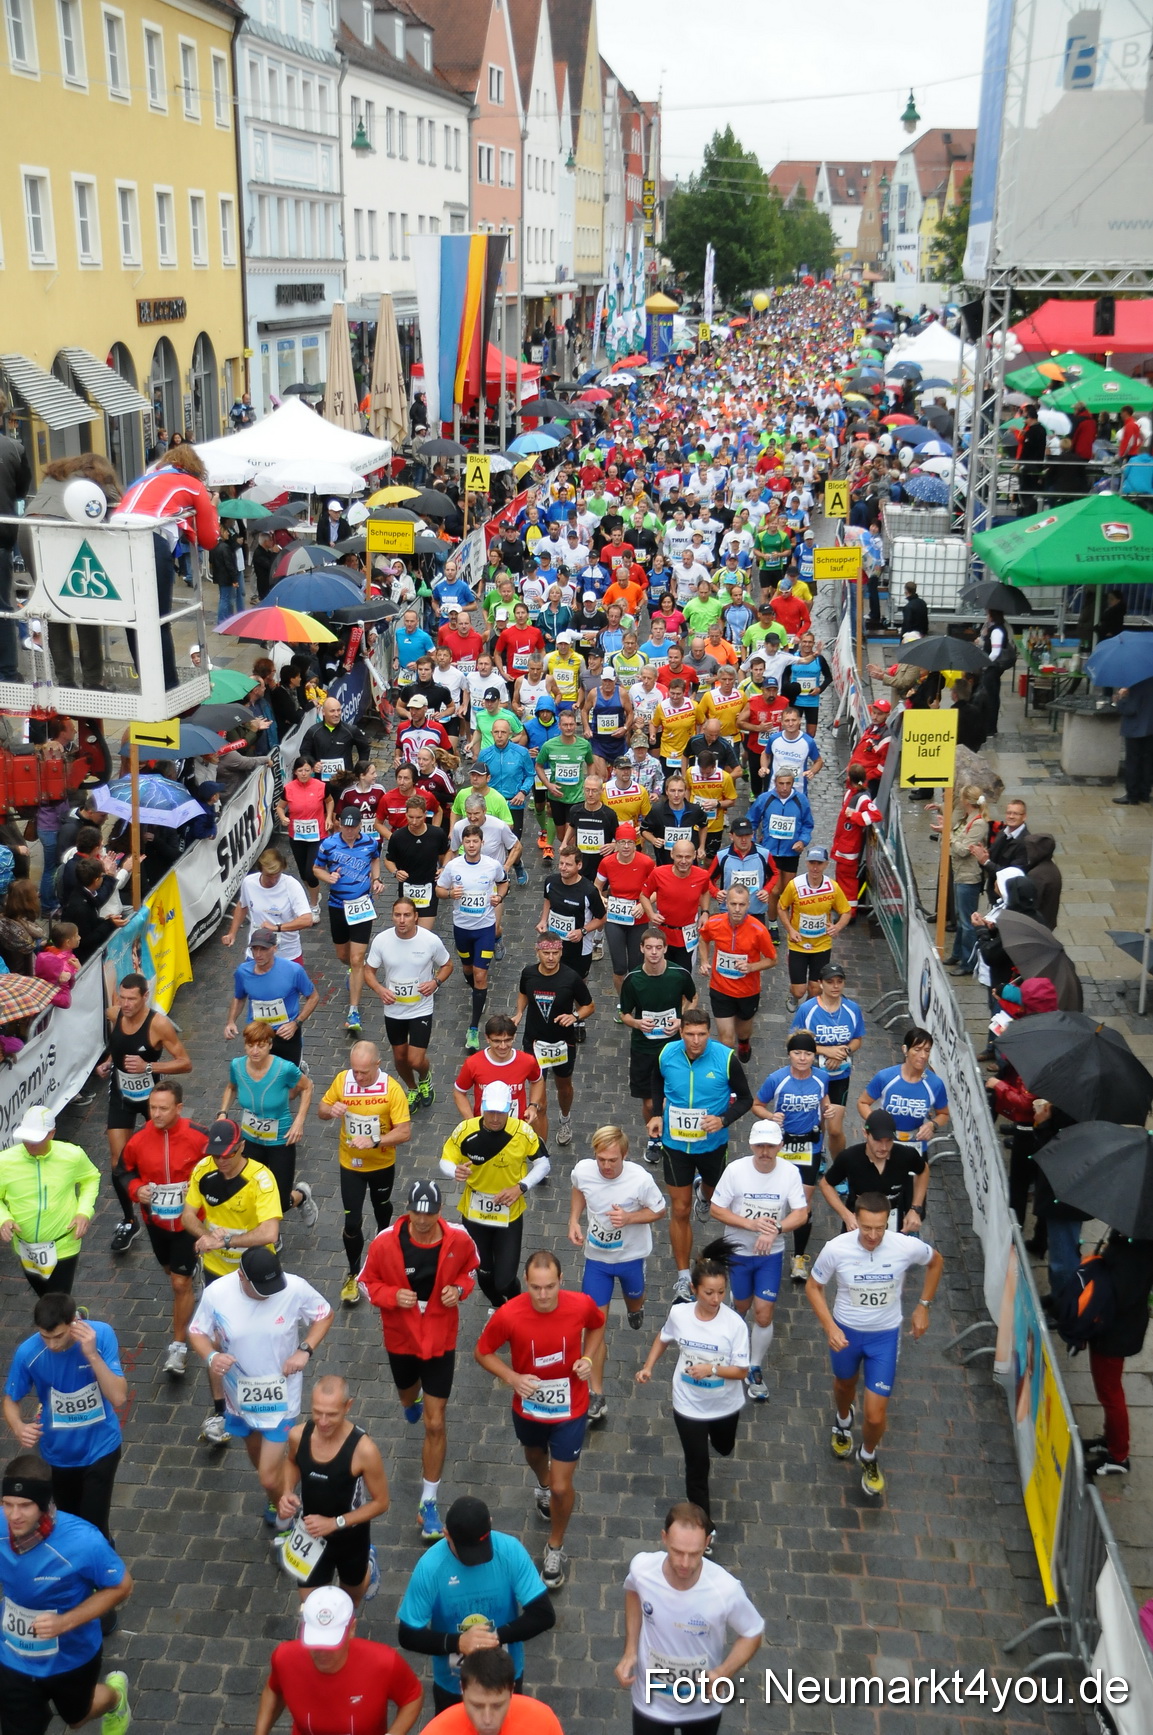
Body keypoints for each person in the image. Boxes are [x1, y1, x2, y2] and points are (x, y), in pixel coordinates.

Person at [475, 1251, 604, 1591]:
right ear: (527, 1284)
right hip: (529, 1407)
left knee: (564, 1486)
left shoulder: (580, 1304)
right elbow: (482, 1351)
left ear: (561, 1281)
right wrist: (512, 1377)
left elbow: (597, 1327)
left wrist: (588, 1358)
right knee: (534, 1456)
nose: (543, 1296)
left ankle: (555, 1546)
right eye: (535, 1288)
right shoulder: (508, 1314)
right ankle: (543, 1485)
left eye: (550, 1287)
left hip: (570, 1407)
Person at [359, 1179, 478, 1542]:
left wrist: (459, 1290)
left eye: (430, 1214)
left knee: (435, 1422)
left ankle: (428, 1502)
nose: (423, 1221)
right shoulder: (385, 1242)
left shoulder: (458, 1238)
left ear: (440, 1211)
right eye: (416, 1213)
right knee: (407, 1395)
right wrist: (394, 1295)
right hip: (402, 1335)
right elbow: (366, 1283)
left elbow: (471, 1270)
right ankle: (409, 1402)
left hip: (441, 1334)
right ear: (407, 1210)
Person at [806, 1192, 943, 1497]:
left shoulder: (903, 1246)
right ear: (856, 1221)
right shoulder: (836, 1249)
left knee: (876, 1415)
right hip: (846, 1334)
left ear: (887, 1222)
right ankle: (843, 1421)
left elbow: (936, 1262)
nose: (872, 1235)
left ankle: (868, 1454)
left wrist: (923, 1306)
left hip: (884, 1337)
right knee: (844, 1386)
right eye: (866, 1228)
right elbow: (814, 1287)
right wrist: (829, 1326)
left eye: (879, 1228)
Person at [188, 1247, 333, 1522]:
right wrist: (211, 1355)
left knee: (267, 1477)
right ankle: (278, 1496)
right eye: (262, 1288)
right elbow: (197, 1332)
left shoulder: (294, 1288)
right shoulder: (218, 1294)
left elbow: (324, 1314)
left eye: (273, 1285)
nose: (270, 1293)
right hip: (238, 1395)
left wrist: (305, 1349)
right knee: (256, 1453)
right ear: (241, 1277)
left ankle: (285, 1505)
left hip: (282, 1395)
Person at [0, 1452, 132, 1735]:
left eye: (24, 1505)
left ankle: (116, 1698)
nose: (13, 1515)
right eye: (7, 1504)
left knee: (77, 1718)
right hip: (14, 1654)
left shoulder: (84, 1541)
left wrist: (64, 1623)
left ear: (45, 1503)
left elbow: (122, 1586)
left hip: (72, 1656)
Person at [616, 1502, 764, 1735]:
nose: (685, 1563)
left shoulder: (725, 1590)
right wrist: (630, 1649)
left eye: (694, 1554)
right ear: (664, 1538)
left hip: (701, 1707)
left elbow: (752, 1631)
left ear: (707, 1543)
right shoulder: (642, 1568)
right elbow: (633, 1591)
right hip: (650, 1701)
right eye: (677, 1552)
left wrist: (723, 1673)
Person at [396, 1496, 556, 1712]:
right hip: (453, 1687)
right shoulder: (430, 1567)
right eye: (466, 1551)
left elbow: (544, 1615)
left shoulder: (510, 1551)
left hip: (505, 1680)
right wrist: (459, 1643)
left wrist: (495, 1637)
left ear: (490, 1522)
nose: (476, 1559)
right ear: (447, 1534)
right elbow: (408, 1634)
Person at [635, 1246, 749, 1534]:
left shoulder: (734, 1325)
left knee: (724, 1447)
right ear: (695, 1289)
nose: (716, 1299)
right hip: (688, 1404)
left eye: (721, 1292)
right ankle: (704, 1529)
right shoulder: (680, 1314)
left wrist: (710, 1369)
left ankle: (718, 1438)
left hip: (725, 1404)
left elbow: (741, 1371)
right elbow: (664, 1338)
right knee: (697, 1467)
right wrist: (648, 1366)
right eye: (709, 1293)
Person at [2, 1294, 127, 1547]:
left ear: (74, 1322)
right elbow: (10, 1399)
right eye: (44, 1337)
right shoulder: (29, 1352)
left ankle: (103, 1574)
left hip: (101, 1448)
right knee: (67, 1524)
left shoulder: (101, 1335)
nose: (51, 1345)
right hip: (57, 1456)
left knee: (93, 1527)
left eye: (58, 1336)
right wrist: (18, 1426)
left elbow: (118, 1397)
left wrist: (92, 1355)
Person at [648, 1009, 753, 1303]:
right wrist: (657, 1113)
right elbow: (656, 1081)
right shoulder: (667, 1053)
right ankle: (683, 1278)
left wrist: (723, 1119)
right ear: (681, 1032)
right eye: (690, 1034)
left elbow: (746, 1099)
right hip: (675, 1145)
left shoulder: (725, 1058)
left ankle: (704, 1195)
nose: (696, 1041)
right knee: (679, 1210)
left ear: (710, 1033)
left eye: (702, 1035)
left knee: (713, 1191)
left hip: (712, 1145)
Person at [568, 1125, 667, 1422]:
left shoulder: (641, 1180)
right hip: (597, 1260)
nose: (606, 1166)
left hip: (631, 1258)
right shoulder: (584, 1171)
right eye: (601, 1160)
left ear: (625, 1155)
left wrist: (630, 1217)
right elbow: (578, 1189)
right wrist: (573, 1219)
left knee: (634, 1300)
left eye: (613, 1160)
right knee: (594, 1326)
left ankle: (637, 1309)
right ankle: (596, 1394)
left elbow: (660, 1210)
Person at [707, 1121, 809, 1402]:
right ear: (751, 1145)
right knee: (741, 1306)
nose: (765, 1152)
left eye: (771, 1146)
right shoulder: (736, 1171)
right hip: (739, 1251)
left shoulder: (789, 1172)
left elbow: (801, 1213)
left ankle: (754, 1365)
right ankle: (730, 1335)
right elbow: (717, 1209)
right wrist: (751, 1225)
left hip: (770, 1255)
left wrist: (776, 1229)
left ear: (780, 1146)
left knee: (763, 1312)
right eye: (760, 1146)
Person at [97, 973, 191, 1255]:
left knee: (164, 1154)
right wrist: (108, 1062)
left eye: (131, 999)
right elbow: (119, 1045)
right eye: (121, 998)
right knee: (118, 1162)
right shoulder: (115, 1014)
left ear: (144, 997)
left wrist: (149, 1067)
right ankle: (129, 1220)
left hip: (152, 1100)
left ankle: (171, 1205)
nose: (124, 1004)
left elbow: (185, 1063)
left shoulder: (159, 1024)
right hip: (122, 1095)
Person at [119, 1082, 209, 1376]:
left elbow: (220, 1166)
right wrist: (136, 1189)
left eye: (163, 1108)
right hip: (156, 1222)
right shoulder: (138, 1140)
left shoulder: (198, 1136)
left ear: (179, 1108)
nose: (155, 1114)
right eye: (152, 1108)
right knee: (170, 1271)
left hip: (189, 1223)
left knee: (179, 1283)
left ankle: (179, 1347)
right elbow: (122, 1171)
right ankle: (186, 1273)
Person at [275, 1377, 391, 1605]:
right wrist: (287, 1490)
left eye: (332, 1414)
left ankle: (368, 1566)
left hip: (350, 1538)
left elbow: (381, 1502)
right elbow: (292, 1462)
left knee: (350, 1604)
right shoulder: (298, 1435)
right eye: (317, 1412)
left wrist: (334, 1523)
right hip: (310, 1533)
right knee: (310, 1607)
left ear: (347, 1406)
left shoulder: (364, 1450)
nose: (323, 1421)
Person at [318, 1040, 413, 1305]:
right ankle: (353, 1273)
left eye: (364, 1072)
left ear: (377, 1065)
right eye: (355, 1071)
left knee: (382, 1212)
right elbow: (322, 1110)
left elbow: (404, 1132)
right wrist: (330, 1110)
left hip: (381, 1165)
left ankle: (384, 1254)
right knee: (352, 1222)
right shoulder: (342, 1081)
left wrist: (375, 1141)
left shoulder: (392, 1090)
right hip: (351, 1165)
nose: (358, 1077)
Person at [256, 1585, 422, 1735]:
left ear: (352, 1629)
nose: (322, 1652)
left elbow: (412, 1696)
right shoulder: (285, 1657)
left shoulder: (384, 1662)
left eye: (331, 1642)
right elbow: (273, 1689)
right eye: (316, 1641)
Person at [440, 1082, 550, 1308]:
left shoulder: (522, 1132)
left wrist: (520, 1187)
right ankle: (500, 1307)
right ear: (481, 1107)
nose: (495, 1118)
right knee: (485, 1274)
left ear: (509, 1108)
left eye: (501, 1112)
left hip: (509, 1215)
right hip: (474, 1214)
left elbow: (543, 1164)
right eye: (490, 1111)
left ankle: (516, 1305)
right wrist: (455, 1170)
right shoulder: (466, 1130)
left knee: (505, 1279)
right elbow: (445, 1159)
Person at [753, 1031, 831, 1282]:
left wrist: (826, 1113)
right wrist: (770, 1116)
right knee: (773, 1196)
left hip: (810, 1147)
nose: (802, 1058)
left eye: (808, 1053)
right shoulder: (777, 1079)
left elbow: (824, 1102)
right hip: (782, 1146)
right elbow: (756, 1104)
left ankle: (798, 1257)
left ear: (814, 1055)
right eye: (797, 1053)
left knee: (803, 1207)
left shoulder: (821, 1078)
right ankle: (765, 1241)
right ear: (789, 1054)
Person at [219, 1021, 315, 1222]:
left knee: (280, 1201)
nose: (255, 1051)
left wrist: (299, 1121)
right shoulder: (237, 1066)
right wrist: (222, 1113)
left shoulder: (284, 1068)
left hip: (280, 1139)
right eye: (250, 1045)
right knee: (251, 1192)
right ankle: (268, 1234)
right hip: (250, 1139)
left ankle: (301, 1196)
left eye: (260, 1045)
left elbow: (307, 1087)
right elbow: (231, 1087)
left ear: (270, 1045)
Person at [0, 1105, 100, 1296]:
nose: (30, 1144)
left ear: (52, 1133)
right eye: (26, 1137)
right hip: (25, 1247)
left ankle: (68, 1318)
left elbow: (91, 1177)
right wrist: (3, 1219)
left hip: (63, 1244)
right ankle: (73, 1317)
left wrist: (84, 1212)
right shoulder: (4, 1162)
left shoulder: (72, 1155)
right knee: (45, 1297)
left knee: (56, 1303)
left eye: (36, 1139)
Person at [364, 897, 454, 1109]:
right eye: (397, 915)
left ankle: (425, 1077)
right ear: (392, 916)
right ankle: (412, 1087)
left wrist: (435, 982)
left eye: (406, 915)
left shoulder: (429, 940)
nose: (402, 920)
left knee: (415, 1059)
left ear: (416, 917)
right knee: (400, 1057)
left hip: (420, 1007)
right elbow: (368, 971)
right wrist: (380, 989)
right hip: (394, 1009)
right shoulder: (382, 940)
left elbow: (448, 965)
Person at [621, 927, 698, 1164]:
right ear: (641, 949)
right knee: (648, 1101)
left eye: (658, 948)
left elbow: (693, 998)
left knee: (673, 1096)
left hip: (674, 1047)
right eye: (649, 948)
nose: (654, 953)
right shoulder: (633, 979)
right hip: (644, 1048)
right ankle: (654, 1136)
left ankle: (673, 1133)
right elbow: (624, 1014)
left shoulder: (679, 974)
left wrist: (681, 1019)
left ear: (665, 949)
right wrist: (637, 1023)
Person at [1082, 1234, 1153, 1478]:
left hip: (1115, 1331)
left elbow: (1119, 1295)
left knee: (1110, 1393)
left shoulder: (1137, 1251)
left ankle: (1119, 1456)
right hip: (1113, 1328)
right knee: (1107, 1391)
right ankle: (1110, 1439)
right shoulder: (1130, 1241)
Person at [437, 825, 509, 1054]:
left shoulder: (491, 865)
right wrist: (450, 894)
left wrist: (500, 896)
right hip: (462, 929)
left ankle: (473, 1029)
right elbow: (439, 890)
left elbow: (504, 881)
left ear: (481, 843)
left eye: (475, 841)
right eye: (467, 841)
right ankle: (479, 992)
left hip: (485, 929)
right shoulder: (453, 866)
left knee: (480, 975)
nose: (471, 845)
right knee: (467, 968)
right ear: (462, 843)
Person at [313, 807, 384, 1035]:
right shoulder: (328, 844)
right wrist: (328, 876)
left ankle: (353, 1010)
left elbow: (375, 860)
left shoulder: (370, 842)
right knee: (343, 956)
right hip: (337, 906)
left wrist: (377, 879)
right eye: (346, 826)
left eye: (354, 827)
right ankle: (355, 972)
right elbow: (316, 868)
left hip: (362, 906)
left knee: (356, 958)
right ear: (339, 824)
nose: (350, 831)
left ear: (360, 826)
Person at [789, 962, 864, 1156]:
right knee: (817, 1121)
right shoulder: (807, 1010)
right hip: (812, 1076)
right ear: (821, 984)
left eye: (839, 981)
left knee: (835, 1129)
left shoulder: (852, 1009)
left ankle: (840, 1169)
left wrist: (844, 1052)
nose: (835, 986)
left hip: (840, 1076)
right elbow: (794, 1042)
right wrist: (826, 1051)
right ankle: (818, 1153)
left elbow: (857, 1039)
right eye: (830, 982)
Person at [697, 882, 776, 1062]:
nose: (737, 909)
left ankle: (744, 1042)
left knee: (743, 1030)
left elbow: (773, 959)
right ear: (726, 904)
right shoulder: (715, 923)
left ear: (748, 905)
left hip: (747, 991)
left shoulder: (759, 930)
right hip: (720, 988)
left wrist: (751, 967)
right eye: (733, 904)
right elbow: (703, 939)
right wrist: (704, 961)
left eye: (742, 904)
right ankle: (727, 1074)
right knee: (726, 1039)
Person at [819, 1108, 929, 1236]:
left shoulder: (906, 1155)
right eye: (878, 1140)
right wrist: (846, 1215)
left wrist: (915, 1209)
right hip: (858, 1223)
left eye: (889, 1141)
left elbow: (923, 1171)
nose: (883, 1147)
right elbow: (826, 1184)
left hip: (896, 1222)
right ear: (865, 1133)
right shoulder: (850, 1157)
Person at [224, 929, 320, 1068]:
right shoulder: (243, 972)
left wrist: (296, 1023)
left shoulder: (293, 970)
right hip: (257, 1034)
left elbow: (313, 997)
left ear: (274, 948)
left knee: (289, 1079)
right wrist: (231, 1022)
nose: (258, 954)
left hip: (285, 1033)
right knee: (259, 1075)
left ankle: (300, 1071)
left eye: (263, 949)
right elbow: (239, 997)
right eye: (254, 949)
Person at [856, 1027, 949, 1159]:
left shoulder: (935, 1084)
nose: (922, 1056)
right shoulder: (886, 1077)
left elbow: (943, 1114)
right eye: (917, 1050)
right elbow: (862, 1102)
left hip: (915, 1146)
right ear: (905, 1049)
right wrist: (876, 1124)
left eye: (927, 1051)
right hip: (884, 1144)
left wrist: (932, 1125)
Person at [776, 845, 852, 1007]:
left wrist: (837, 927)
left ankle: (807, 1013)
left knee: (815, 989)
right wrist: (790, 929)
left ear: (826, 865)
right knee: (799, 990)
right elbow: (781, 908)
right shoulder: (794, 885)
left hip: (822, 945)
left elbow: (846, 912)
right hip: (798, 945)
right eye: (812, 863)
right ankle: (793, 997)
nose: (815, 867)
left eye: (819, 863)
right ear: (807, 863)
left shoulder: (833, 887)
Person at [419, 1649, 563, 1735]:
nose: (487, 1720)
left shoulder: (543, 1722)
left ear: (512, 1690)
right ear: (462, 1689)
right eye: (477, 1706)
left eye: (497, 1706)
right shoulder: (436, 1732)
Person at [747, 770, 813, 939]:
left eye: (788, 784)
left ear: (793, 783)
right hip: (770, 852)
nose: (784, 788)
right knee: (774, 890)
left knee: (787, 889)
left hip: (791, 852)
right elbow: (751, 820)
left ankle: (784, 916)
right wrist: (753, 840)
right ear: (775, 783)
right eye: (780, 783)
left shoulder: (801, 800)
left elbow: (807, 824)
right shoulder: (765, 799)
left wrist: (803, 841)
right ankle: (773, 924)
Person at [222, 848, 314, 962]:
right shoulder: (249, 883)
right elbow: (242, 905)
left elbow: (307, 920)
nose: (274, 880)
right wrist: (232, 933)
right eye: (269, 876)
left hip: (287, 955)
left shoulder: (292, 885)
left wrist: (276, 928)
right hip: (257, 954)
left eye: (277, 875)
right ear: (261, 871)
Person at [454, 1014, 545, 1128]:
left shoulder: (527, 1061)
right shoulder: (473, 1063)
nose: (503, 1046)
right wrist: (471, 1122)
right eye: (497, 1041)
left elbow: (537, 1080)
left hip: (516, 1129)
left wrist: (533, 1105)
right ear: (487, 1038)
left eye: (507, 1040)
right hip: (484, 1128)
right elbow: (459, 1092)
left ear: (514, 1037)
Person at [277, 759, 328, 920]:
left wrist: (329, 819)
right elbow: (279, 806)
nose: (304, 774)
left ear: (312, 770)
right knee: (303, 874)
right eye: (300, 771)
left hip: (317, 835)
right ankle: (315, 893)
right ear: (295, 772)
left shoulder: (321, 786)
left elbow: (330, 801)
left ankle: (313, 906)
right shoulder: (289, 789)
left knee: (311, 872)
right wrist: (282, 817)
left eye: (307, 770)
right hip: (297, 836)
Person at [299, 696, 369, 784]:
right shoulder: (313, 731)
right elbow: (304, 751)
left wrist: (359, 770)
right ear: (323, 712)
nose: (336, 714)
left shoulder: (351, 730)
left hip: (344, 782)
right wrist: (313, 763)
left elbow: (364, 748)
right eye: (332, 711)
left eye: (339, 710)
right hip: (322, 782)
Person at [1113, 675, 1153, 806]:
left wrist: (1120, 699)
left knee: (1133, 761)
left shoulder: (1136, 681)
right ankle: (1145, 793)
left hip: (1136, 728)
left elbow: (1130, 709)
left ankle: (1132, 795)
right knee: (1148, 761)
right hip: (1151, 727)